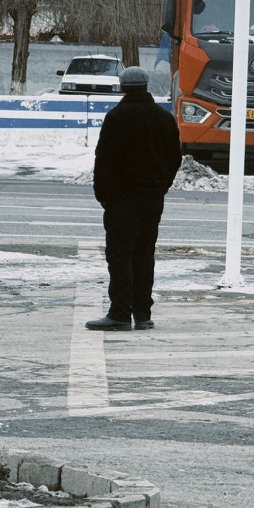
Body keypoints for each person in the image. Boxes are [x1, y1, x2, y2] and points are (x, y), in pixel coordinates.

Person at [86, 66, 181, 332]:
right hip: (152, 199)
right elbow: (175, 157)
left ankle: (119, 313)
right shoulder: (163, 118)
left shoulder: (117, 117)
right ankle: (142, 314)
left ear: (122, 86)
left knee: (120, 255)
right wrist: (161, 186)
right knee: (144, 254)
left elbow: (103, 160)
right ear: (146, 85)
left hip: (122, 200)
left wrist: (105, 196)